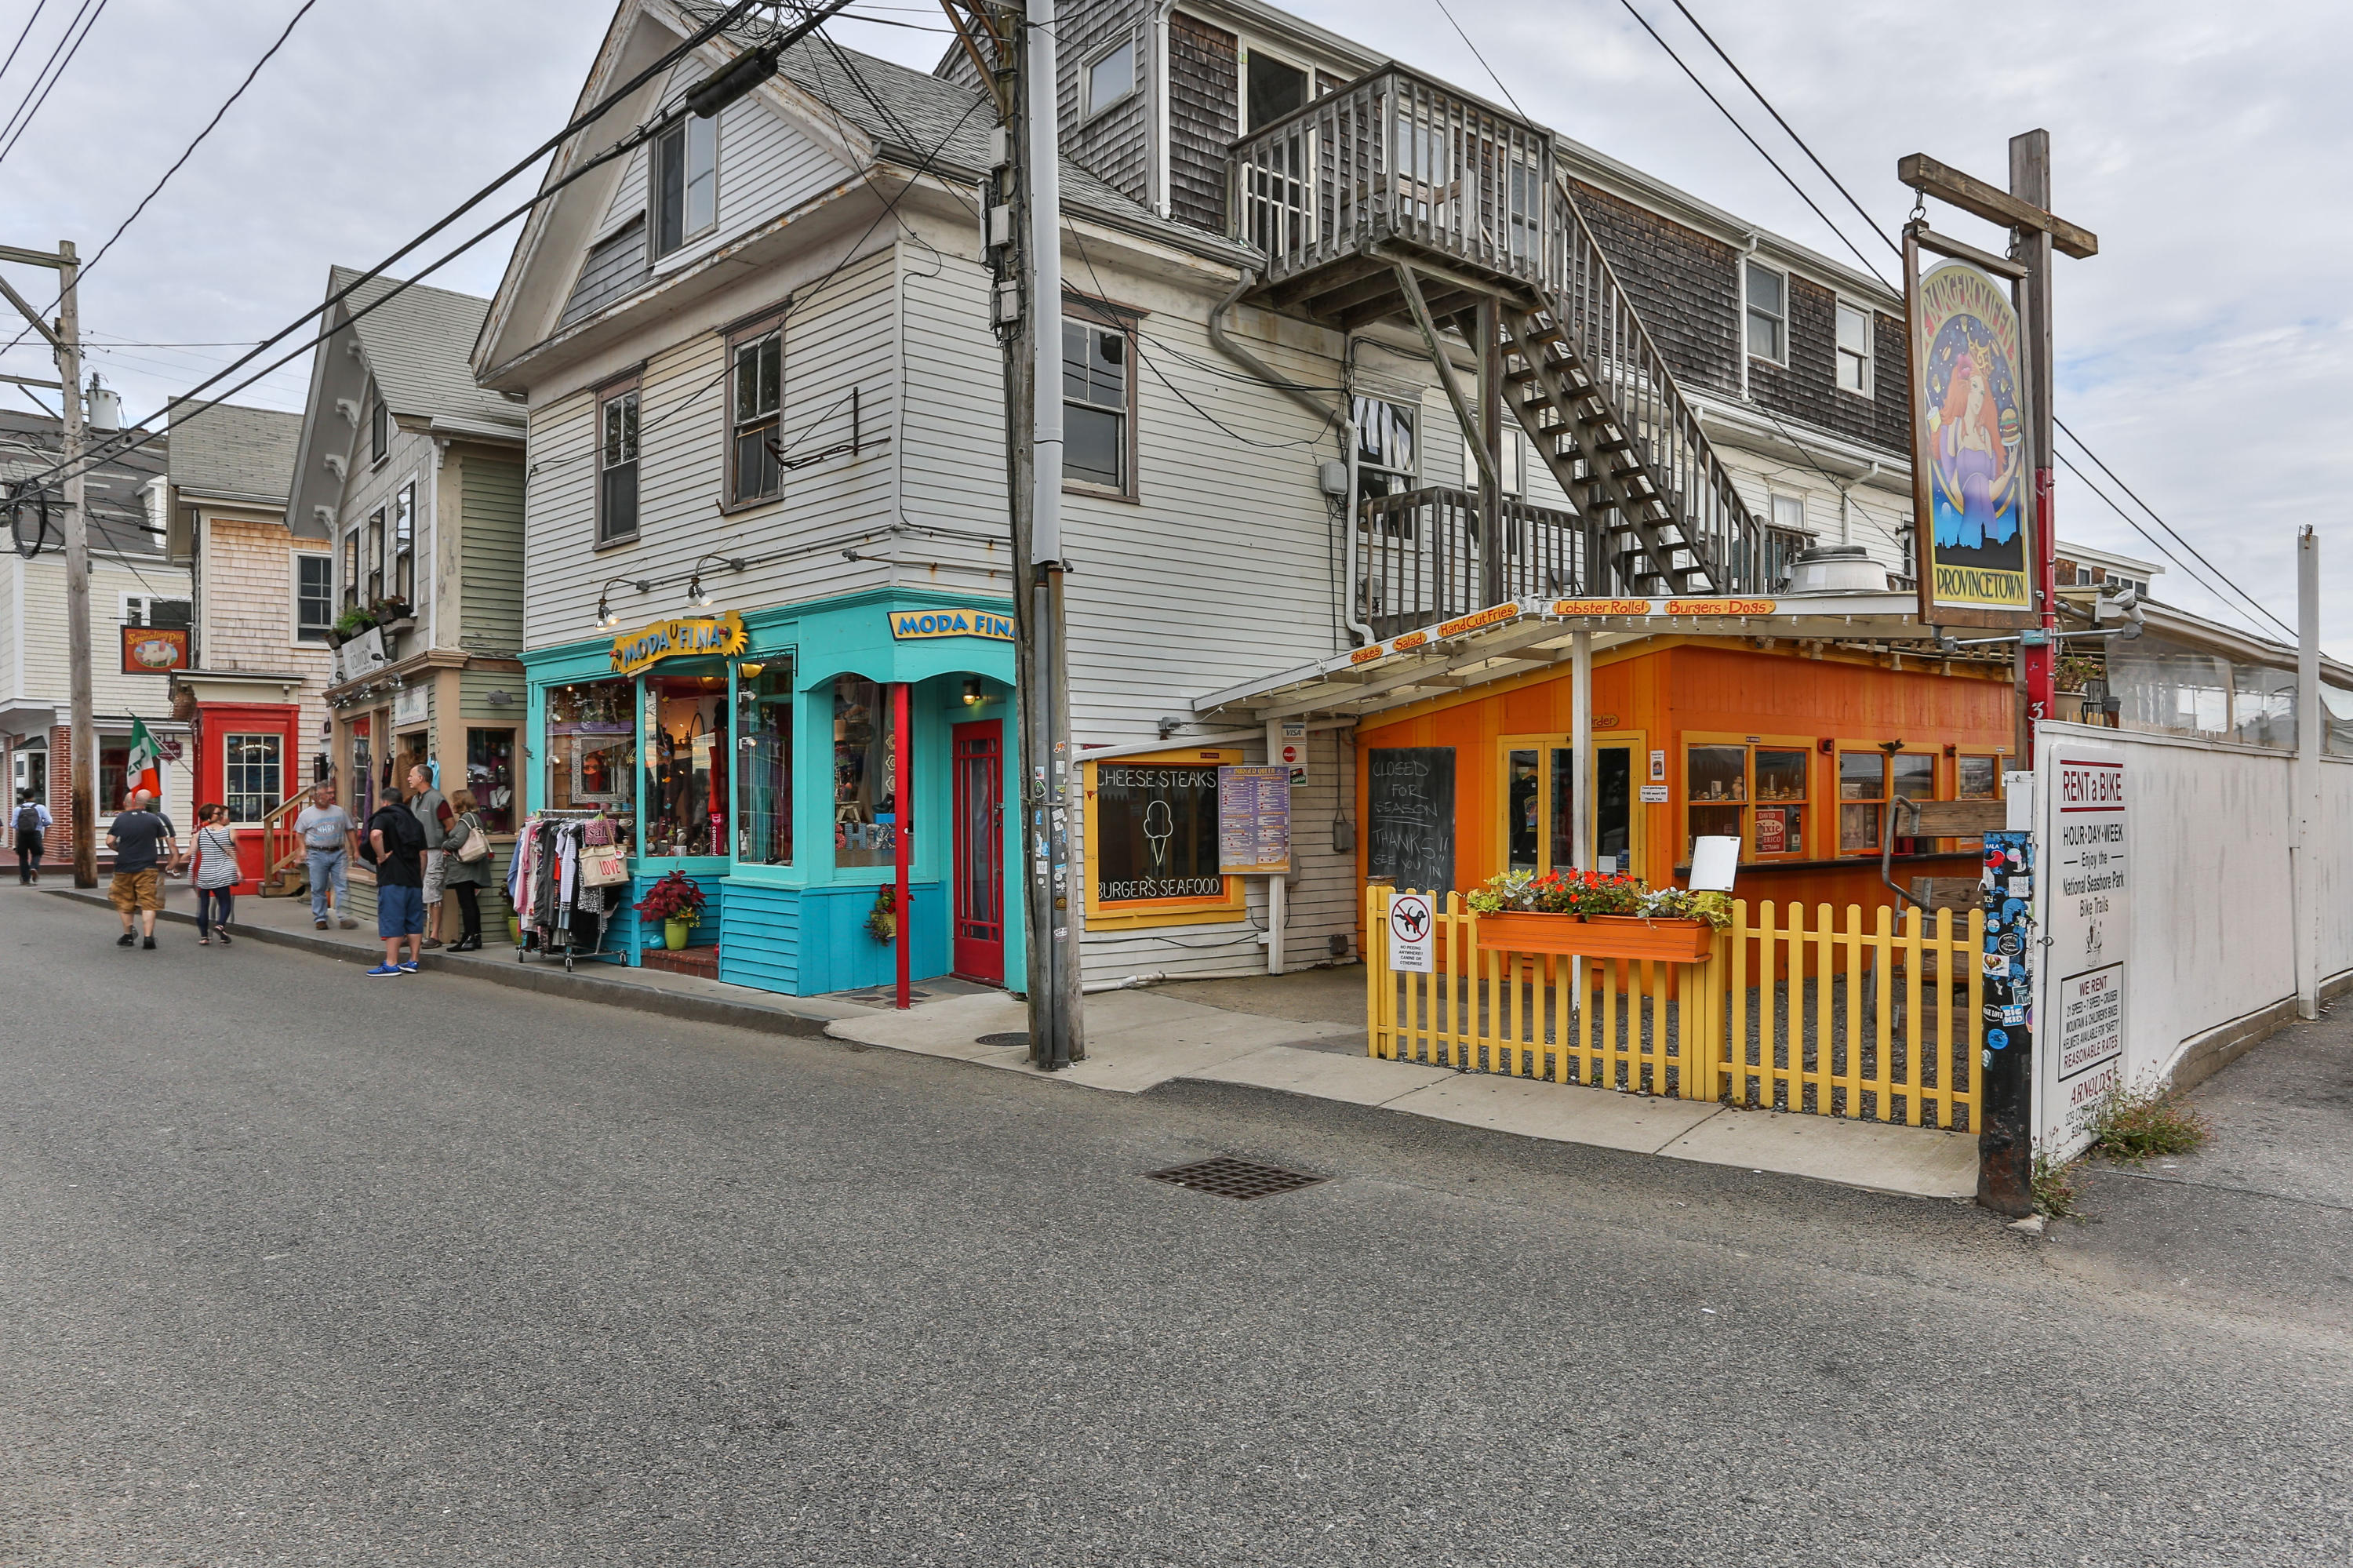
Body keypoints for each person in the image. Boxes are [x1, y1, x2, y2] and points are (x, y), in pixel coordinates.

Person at [362, 782, 427, 976]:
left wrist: (381, 857)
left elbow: (375, 835)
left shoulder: (384, 817)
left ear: (384, 802)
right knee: (414, 920)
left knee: (393, 919)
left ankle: (391, 963)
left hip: (392, 878)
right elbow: (423, 853)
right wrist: (419, 876)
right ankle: (413, 961)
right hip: (413, 878)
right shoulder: (415, 822)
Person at [107, 788, 179, 950]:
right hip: (147, 866)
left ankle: (127, 936)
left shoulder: (121, 819)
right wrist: (173, 858)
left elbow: (109, 841)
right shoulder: (154, 819)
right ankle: (148, 938)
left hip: (124, 866)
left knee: (125, 901)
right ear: (145, 803)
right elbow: (165, 839)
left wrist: (121, 850)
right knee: (148, 903)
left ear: (130, 803)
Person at [294, 784, 359, 930]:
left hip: (338, 852)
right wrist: (302, 850)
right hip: (316, 853)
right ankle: (320, 918)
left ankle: (344, 917)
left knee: (342, 886)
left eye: (328, 794)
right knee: (318, 887)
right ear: (315, 797)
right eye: (323, 794)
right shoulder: (306, 814)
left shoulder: (339, 812)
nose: (328, 797)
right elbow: (299, 833)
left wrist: (356, 850)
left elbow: (350, 830)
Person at [406, 762, 453, 951]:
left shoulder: (437, 799)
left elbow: (450, 825)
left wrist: (442, 843)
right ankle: (412, 933)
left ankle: (434, 935)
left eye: (411, 775)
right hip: (415, 851)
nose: (409, 778)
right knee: (414, 889)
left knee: (432, 891)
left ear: (421, 778)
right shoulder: (414, 799)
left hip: (434, 850)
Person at [442, 788, 491, 952]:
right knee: (471, 903)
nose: (452, 804)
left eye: (454, 801)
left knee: (466, 903)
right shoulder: (475, 818)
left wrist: (445, 845)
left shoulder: (465, 820)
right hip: (473, 867)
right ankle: (476, 936)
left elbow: (458, 841)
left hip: (464, 870)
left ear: (460, 803)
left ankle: (468, 938)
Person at [189, 802, 239, 946]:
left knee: (203, 905)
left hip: (205, 873)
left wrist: (175, 863)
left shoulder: (198, 834)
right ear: (212, 816)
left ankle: (204, 937)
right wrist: (238, 871)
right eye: (219, 814)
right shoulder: (228, 832)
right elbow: (232, 853)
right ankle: (220, 926)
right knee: (224, 902)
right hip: (222, 874)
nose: (222, 816)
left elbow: (190, 853)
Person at [13, 788, 51, 884]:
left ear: (23, 797)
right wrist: (39, 824)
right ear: (33, 796)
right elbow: (49, 821)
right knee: (37, 853)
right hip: (35, 833)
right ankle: (34, 867)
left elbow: (14, 824)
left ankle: (25, 879)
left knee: (23, 856)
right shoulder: (40, 807)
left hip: (22, 835)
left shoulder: (18, 809)